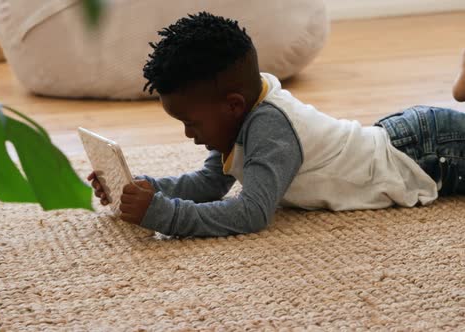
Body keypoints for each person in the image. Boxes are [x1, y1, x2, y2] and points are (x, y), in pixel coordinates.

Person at [87, 12, 465, 238]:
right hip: (408, 139)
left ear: (233, 105)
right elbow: (209, 185)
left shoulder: (271, 127)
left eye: (191, 122)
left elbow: (251, 213)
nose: (189, 134)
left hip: (426, 153)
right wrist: (146, 189)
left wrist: (164, 215)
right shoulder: (238, 118)